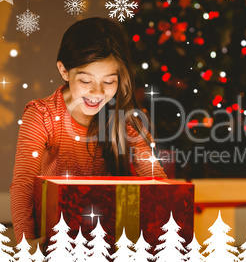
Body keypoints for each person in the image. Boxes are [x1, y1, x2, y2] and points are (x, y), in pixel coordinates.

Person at [10, 17, 167, 250]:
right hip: (54, 236)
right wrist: (25, 242)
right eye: (86, 80)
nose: (97, 92)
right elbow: (23, 183)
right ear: (64, 71)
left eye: (109, 81)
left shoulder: (125, 118)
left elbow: (155, 177)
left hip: (106, 236)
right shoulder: (41, 115)